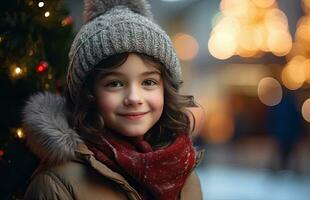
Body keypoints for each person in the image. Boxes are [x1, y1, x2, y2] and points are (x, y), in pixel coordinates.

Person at [21, 0, 204, 199]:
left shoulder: (185, 172)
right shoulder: (56, 184)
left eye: (148, 82)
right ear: (89, 94)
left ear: (165, 89)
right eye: (115, 83)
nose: (134, 98)